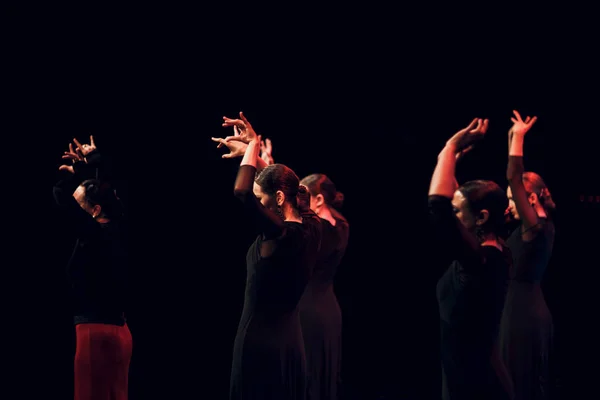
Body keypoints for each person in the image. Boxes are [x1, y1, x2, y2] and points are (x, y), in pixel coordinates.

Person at [213, 133, 350, 399]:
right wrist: (256, 160)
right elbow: (290, 188)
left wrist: (252, 147)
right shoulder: (312, 227)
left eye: (260, 198)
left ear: (277, 198)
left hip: (257, 343)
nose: (258, 205)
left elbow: (241, 192)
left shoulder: (279, 235)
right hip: (290, 344)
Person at [428, 118, 512, 399]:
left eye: (458, 212)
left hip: (476, 382)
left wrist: (450, 148)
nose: (454, 218)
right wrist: (450, 157)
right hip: (470, 373)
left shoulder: (481, 261)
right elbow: (451, 200)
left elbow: (439, 204)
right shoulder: (493, 250)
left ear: (482, 217)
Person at [53, 136, 131, 400]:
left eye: (81, 204)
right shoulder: (118, 228)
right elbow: (106, 191)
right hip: (119, 331)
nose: (77, 208)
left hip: (95, 333)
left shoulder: (95, 234)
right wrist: (92, 164)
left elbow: (62, 197)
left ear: (95, 210)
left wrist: (77, 174)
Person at [499, 110, 556, 399]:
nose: (509, 206)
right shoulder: (536, 228)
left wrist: (518, 137)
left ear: (530, 198)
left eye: (514, 199)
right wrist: (511, 136)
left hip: (523, 316)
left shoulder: (534, 229)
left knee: (520, 383)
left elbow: (512, 176)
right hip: (524, 310)